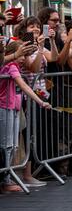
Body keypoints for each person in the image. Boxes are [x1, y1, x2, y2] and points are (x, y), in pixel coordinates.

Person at [0, 41, 52, 193]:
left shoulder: (15, 67)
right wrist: (41, 102)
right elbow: (23, 86)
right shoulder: (11, 67)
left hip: (14, 109)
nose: (24, 59)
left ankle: (7, 177)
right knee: (7, 144)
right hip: (6, 108)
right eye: (23, 55)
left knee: (13, 145)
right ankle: (6, 179)